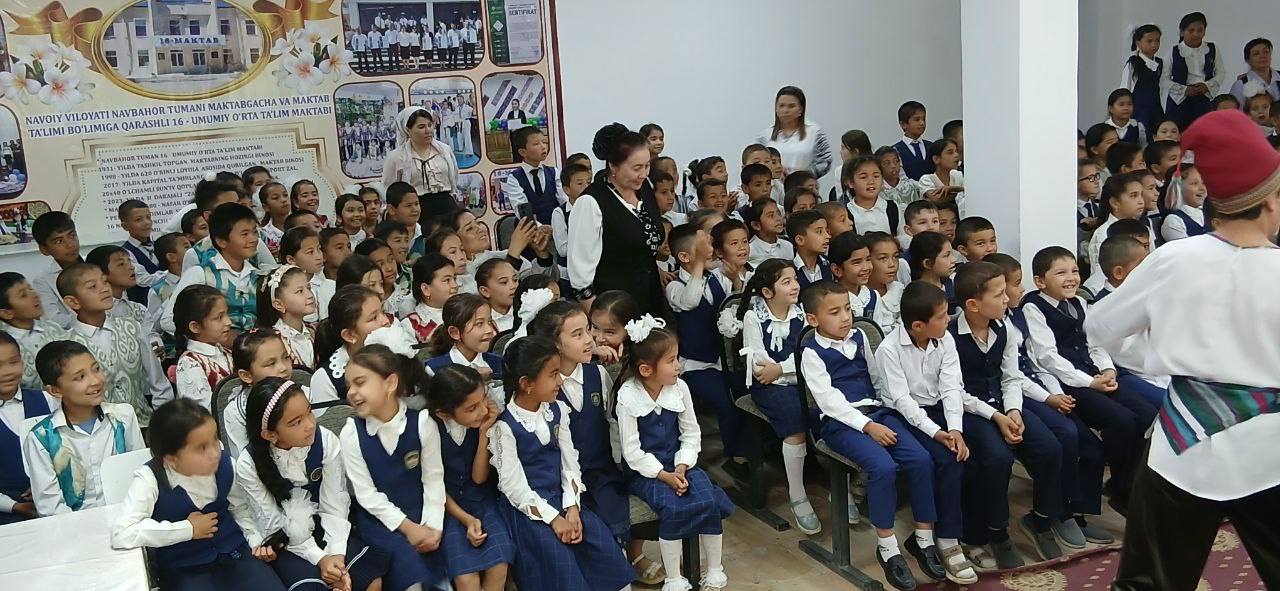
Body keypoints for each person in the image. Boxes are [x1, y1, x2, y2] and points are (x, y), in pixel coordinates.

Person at [1089, 109, 1280, 590]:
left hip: (1182, 443)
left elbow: (1101, 327)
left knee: (1149, 583)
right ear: (1270, 200)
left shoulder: (1174, 259)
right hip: (1269, 448)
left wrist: (1159, 354)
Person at [800, 280, 940, 590]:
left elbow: (878, 380)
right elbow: (829, 401)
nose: (845, 317)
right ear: (813, 319)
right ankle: (888, 549)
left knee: (921, 459)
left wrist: (895, 413)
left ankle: (924, 539)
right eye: (834, 312)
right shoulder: (811, 352)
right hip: (840, 423)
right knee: (882, 467)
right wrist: (867, 426)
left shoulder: (860, 336)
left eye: (847, 309)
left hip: (877, 413)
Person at [492, 336, 635, 590]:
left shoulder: (558, 410)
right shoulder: (504, 427)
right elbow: (514, 488)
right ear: (526, 383)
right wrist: (554, 519)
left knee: (601, 547)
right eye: (553, 374)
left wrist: (572, 506)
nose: (560, 380)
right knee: (559, 561)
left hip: (563, 500)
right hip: (530, 511)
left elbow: (570, 463)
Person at [1022, 246, 1155, 512]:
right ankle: (1121, 489)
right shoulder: (1033, 308)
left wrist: (1108, 370)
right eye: (1061, 273)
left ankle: (1126, 483)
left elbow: (1095, 343)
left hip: (1095, 376)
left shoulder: (1080, 303)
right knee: (1122, 421)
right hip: (1069, 383)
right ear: (1040, 281)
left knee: (1148, 416)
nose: (1071, 277)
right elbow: (1048, 357)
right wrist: (1089, 382)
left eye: (1074, 271)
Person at [237, 377, 392, 590]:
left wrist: (336, 553)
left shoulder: (325, 440)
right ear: (270, 434)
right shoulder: (248, 464)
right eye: (296, 422)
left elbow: (335, 502)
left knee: (371, 581)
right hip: (286, 540)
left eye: (309, 411)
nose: (310, 425)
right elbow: (272, 524)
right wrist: (320, 558)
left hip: (328, 522)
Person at [614, 317, 733, 591]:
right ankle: (674, 577)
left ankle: (714, 570)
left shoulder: (680, 388)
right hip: (646, 473)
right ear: (646, 369)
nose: (678, 365)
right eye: (671, 360)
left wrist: (682, 465)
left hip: (680, 465)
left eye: (677, 358)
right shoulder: (628, 396)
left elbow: (691, 433)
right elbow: (631, 452)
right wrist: (664, 475)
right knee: (672, 507)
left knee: (708, 498)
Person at [112, 399, 283, 589]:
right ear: (171, 459)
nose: (214, 453)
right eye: (201, 448)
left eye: (215, 440)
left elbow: (240, 509)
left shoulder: (226, 465)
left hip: (235, 554)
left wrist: (256, 542)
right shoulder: (149, 478)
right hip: (185, 568)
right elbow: (122, 533)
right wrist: (187, 529)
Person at [875, 282, 982, 584]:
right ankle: (947, 540)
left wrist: (955, 429)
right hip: (904, 416)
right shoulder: (889, 350)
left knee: (978, 453)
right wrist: (938, 433)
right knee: (948, 460)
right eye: (942, 316)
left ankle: (970, 531)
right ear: (918, 326)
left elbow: (951, 387)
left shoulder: (944, 339)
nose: (949, 320)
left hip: (938, 411)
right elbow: (902, 401)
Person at [340, 343, 448, 589]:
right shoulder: (351, 434)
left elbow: (433, 479)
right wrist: (409, 528)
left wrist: (433, 527)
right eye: (348, 386)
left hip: (425, 516)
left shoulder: (422, 424)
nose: (352, 392)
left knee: (450, 574)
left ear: (390, 383)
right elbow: (366, 495)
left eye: (360, 382)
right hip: (382, 524)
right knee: (414, 579)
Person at [425, 366, 515, 590]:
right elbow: (434, 488)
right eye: (472, 408)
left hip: (482, 502)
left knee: (499, 566)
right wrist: (466, 520)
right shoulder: (429, 430)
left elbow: (479, 478)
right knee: (466, 578)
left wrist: (484, 433)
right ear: (443, 413)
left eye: (483, 399)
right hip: (447, 508)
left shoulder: (481, 424)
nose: (483, 410)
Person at [568, 124, 667, 317]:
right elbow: (581, 276)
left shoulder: (644, 188)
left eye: (647, 166)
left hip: (651, 298)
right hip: (614, 307)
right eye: (636, 168)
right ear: (613, 166)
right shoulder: (591, 202)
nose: (644, 174)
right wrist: (600, 318)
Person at [59, 263, 170, 427]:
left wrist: (164, 421)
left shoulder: (131, 327)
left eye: (105, 282)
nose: (105, 289)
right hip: (99, 431)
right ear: (73, 301)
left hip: (143, 424)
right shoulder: (68, 344)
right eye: (92, 286)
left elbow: (158, 381)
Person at [164, 203, 263, 336]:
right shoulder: (200, 274)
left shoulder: (260, 276)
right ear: (221, 241)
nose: (254, 239)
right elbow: (168, 320)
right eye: (244, 234)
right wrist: (213, 334)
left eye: (254, 232)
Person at [310, 285, 391, 407]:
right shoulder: (325, 379)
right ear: (349, 335)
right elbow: (330, 419)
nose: (386, 321)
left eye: (383, 312)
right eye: (374, 318)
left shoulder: (400, 355)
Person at [383, 107, 460, 217]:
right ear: (408, 130)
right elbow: (389, 189)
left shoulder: (444, 150)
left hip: (447, 206)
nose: (428, 130)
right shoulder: (396, 157)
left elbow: (454, 175)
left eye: (430, 125)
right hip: (415, 210)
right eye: (421, 127)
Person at [173, 285, 234, 411]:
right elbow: (202, 412)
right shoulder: (190, 364)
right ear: (195, 327)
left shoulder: (228, 353)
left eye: (226, 314)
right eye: (219, 317)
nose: (228, 322)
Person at [0, 273, 65, 390]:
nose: (34, 295)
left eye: (30, 289)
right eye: (23, 295)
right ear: (6, 313)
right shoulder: (6, 345)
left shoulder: (53, 328)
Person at [757, 86, 832, 180]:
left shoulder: (815, 131)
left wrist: (801, 175)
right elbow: (756, 164)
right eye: (781, 106)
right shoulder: (765, 135)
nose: (786, 110)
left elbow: (825, 162)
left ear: (801, 109)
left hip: (802, 186)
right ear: (776, 109)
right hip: (773, 187)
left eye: (791, 106)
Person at [1165, 12, 1223, 129]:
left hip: (1203, 98)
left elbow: (1221, 72)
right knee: (1179, 132)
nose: (1196, 34)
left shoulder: (1212, 49)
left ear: (1204, 31)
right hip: (1179, 101)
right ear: (1182, 32)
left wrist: (1207, 86)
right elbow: (1163, 77)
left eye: (1200, 30)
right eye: (1191, 30)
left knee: (1203, 131)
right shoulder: (1174, 51)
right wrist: (1183, 90)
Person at [255, 265, 316, 369]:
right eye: (300, 291)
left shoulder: (313, 331)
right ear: (279, 304)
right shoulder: (274, 341)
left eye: (309, 288)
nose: (310, 295)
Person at [31, 211, 82, 328]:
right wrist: (89, 318)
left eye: (72, 235)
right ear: (44, 249)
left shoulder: (95, 263)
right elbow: (51, 319)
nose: (70, 245)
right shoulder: (43, 280)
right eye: (59, 241)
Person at [1123, 25, 1165, 134]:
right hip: (1139, 110)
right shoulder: (1133, 63)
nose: (1154, 44)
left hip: (1156, 109)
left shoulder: (1160, 63)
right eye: (1149, 41)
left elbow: (1162, 87)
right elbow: (1125, 89)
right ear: (1138, 43)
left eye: (1157, 41)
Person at [1160, 163, 1209, 242]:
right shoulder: (1173, 221)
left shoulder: (1211, 213)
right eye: (1194, 183)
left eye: (1203, 182)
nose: (1202, 188)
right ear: (1177, 188)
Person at [787, 209, 832, 290]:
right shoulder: (789, 271)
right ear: (800, 240)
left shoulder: (829, 264)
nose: (828, 236)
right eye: (819, 231)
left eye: (826, 231)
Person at [1229, 38, 1280, 106]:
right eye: (1256, 54)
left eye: (1266, 52)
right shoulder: (1240, 85)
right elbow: (1234, 111)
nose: (1262, 56)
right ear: (1248, 60)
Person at [894, 101, 932, 181]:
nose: (922, 123)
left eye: (924, 119)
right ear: (903, 124)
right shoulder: (895, 151)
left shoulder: (931, 146)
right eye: (917, 120)